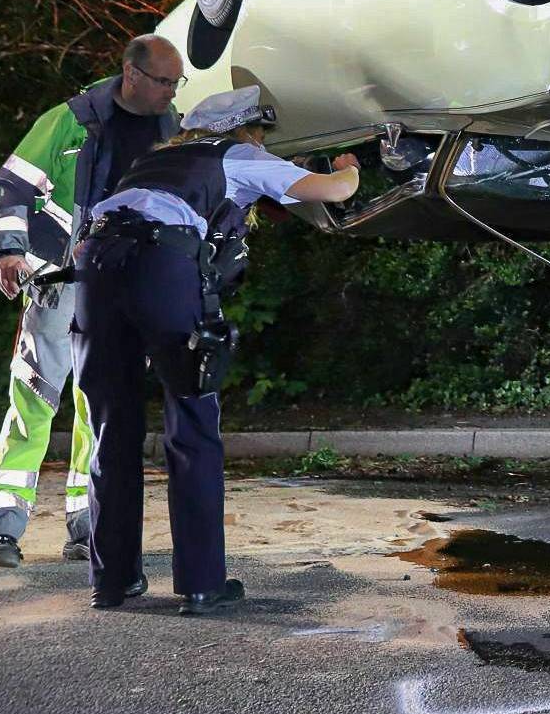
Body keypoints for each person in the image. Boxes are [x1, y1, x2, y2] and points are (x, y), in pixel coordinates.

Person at [72, 85, 358, 613]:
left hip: (94, 266)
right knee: (192, 423)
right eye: (262, 132)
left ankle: (111, 582)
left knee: (111, 427)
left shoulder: (150, 163)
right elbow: (334, 191)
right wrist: (350, 168)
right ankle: (201, 585)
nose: (263, 142)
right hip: (161, 267)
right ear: (247, 130)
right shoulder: (238, 155)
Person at [0, 34, 184, 568]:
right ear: (132, 74)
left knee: (102, 404)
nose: (171, 92)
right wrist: (9, 251)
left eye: (176, 82)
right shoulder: (71, 121)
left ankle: (90, 523)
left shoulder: (171, 129)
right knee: (35, 397)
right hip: (61, 280)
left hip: (125, 284)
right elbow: (10, 187)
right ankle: (1, 527)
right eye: (164, 81)